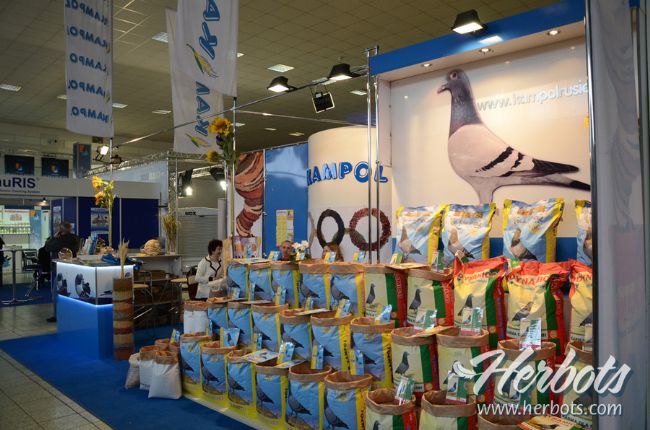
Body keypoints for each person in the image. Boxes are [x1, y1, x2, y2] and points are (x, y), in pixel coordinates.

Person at [45, 222, 80, 323]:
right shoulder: (75, 238)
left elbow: (47, 248)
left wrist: (54, 238)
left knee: (56, 292)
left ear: (60, 230)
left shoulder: (58, 240)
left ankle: (57, 315)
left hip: (59, 269)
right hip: (71, 268)